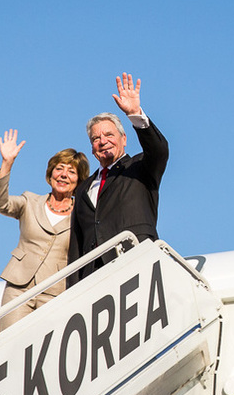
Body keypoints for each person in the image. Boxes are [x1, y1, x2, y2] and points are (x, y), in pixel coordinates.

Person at [68, 72, 168, 282]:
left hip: (134, 265)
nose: (102, 141)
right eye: (96, 138)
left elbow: (159, 150)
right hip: (93, 278)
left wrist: (135, 114)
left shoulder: (140, 168)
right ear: (92, 148)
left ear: (124, 139)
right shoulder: (83, 188)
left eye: (109, 135)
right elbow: (76, 245)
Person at [0, 129, 88, 329]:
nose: (63, 175)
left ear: (79, 181)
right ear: (50, 173)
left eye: (71, 172)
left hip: (55, 291)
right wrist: (7, 164)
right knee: (10, 345)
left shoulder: (82, 215)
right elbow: (0, 203)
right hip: (19, 288)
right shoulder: (30, 201)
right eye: (59, 168)